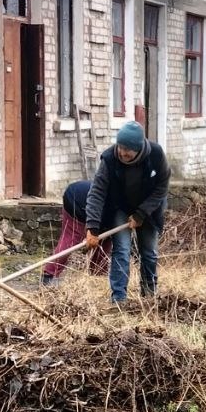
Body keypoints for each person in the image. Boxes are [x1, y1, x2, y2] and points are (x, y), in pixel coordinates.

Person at [85, 121, 171, 304]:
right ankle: (118, 299)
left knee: (149, 252)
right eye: (120, 146)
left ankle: (149, 295)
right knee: (122, 250)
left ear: (139, 149)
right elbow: (97, 192)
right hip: (121, 207)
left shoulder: (156, 154)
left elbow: (162, 187)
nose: (122, 152)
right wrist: (92, 227)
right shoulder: (109, 158)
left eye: (127, 149)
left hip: (149, 209)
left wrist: (141, 214)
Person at [41, 180, 110, 286]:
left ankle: (98, 276)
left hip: (92, 205)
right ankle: (49, 275)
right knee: (71, 238)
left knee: (105, 240)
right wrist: (91, 230)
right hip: (76, 200)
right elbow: (94, 211)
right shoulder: (114, 206)